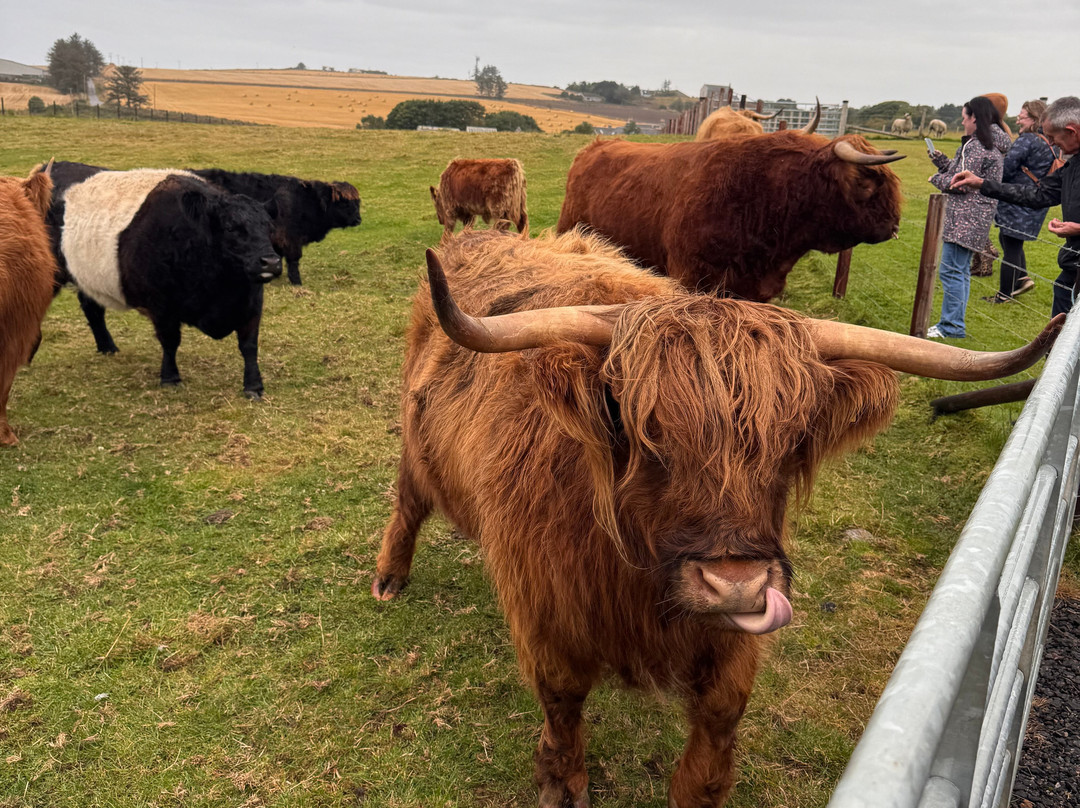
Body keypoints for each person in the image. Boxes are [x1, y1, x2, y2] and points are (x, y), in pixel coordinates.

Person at [953, 96, 1080, 318]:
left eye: (1052, 137)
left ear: (1072, 131)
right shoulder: (1073, 165)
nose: (1050, 144)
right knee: (1059, 328)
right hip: (1072, 268)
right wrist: (982, 183)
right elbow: (1038, 194)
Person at [925, 96, 1005, 339]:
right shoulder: (986, 144)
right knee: (959, 271)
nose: (962, 123)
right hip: (975, 217)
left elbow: (960, 183)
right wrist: (941, 161)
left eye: (964, 118)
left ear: (975, 118)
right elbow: (962, 171)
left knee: (952, 271)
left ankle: (951, 326)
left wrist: (936, 179)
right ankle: (953, 324)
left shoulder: (977, 146)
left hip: (965, 218)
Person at [982, 99, 1056, 303]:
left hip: (1017, 199)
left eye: (1021, 117)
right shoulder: (1049, 142)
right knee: (1010, 240)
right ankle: (1021, 278)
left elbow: (1006, 169)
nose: (1017, 121)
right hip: (1035, 199)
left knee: (1012, 245)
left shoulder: (1027, 140)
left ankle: (1004, 294)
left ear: (1033, 119)